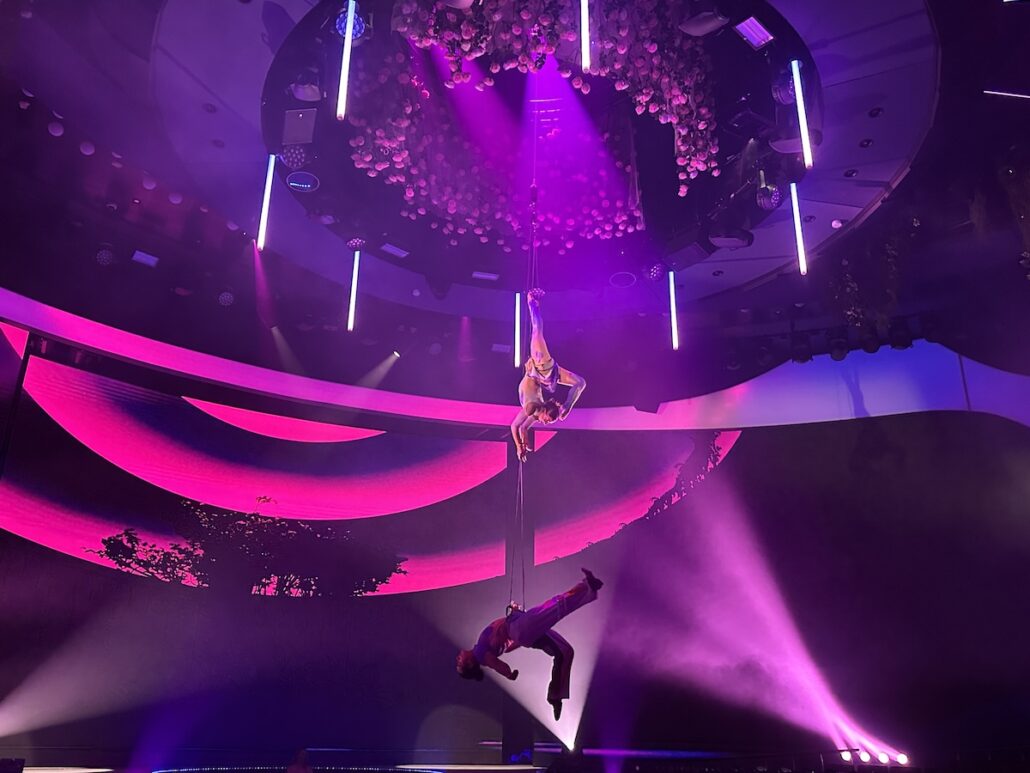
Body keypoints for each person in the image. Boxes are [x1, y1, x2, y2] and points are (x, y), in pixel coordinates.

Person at [455, 569, 603, 720]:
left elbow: (508, 646)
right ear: (469, 664)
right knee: (554, 606)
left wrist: (515, 614)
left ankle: (555, 696)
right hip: (520, 629)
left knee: (565, 651)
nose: (458, 658)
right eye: (459, 663)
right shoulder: (480, 654)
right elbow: (496, 663)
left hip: (521, 630)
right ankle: (588, 587)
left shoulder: (483, 648)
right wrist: (508, 673)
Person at [511, 288, 587, 462]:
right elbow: (517, 427)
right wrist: (520, 446)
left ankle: (567, 405)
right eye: (547, 421)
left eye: (547, 422)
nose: (544, 423)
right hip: (543, 368)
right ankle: (532, 303)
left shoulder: (534, 412)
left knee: (581, 383)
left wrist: (524, 446)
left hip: (541, 373)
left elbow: (520, 428)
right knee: (537, 331)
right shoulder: (534, 409)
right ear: (545, 411)